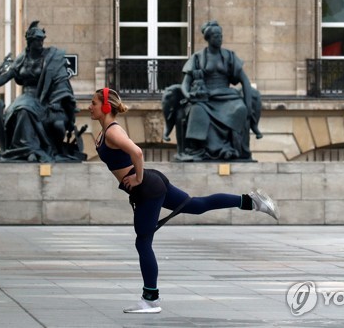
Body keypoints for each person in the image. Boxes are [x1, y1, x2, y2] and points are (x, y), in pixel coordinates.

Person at [90, 87, 279, 314]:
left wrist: (138, 178)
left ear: (106, 106)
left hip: (148, 187)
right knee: (196, 206)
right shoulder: (104, 132)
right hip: (152, 183)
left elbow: (137, 153)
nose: (89, 106)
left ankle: (150, 300)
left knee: (143, 242)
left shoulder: (112, 132)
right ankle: (251, 201)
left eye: (93, 103)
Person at [0, 21, 78, 162]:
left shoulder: (51, 57)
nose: (41, 43)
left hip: (44, 98)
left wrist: (57, 101)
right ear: (30, 42)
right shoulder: (22, 58)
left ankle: (28, 149)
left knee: (24, 110)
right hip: (26, 96)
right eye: (38, 40)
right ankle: (25, 150)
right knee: (15, 112)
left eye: (42, 40)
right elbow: (6, 76)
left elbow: (61, 82)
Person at [178, 20, 262, 161]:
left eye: (220, 35)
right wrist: (189, 96)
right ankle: (207, 149)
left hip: (226, 96)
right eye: (216, 36)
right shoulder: (198, 57)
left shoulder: (229, 56)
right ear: (208, 38)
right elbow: (185, 84)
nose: (219, 38)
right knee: (197, 110)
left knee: (240, 108)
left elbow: (245, 81)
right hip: (205, 97)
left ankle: (233, 148)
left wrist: (248, 107)